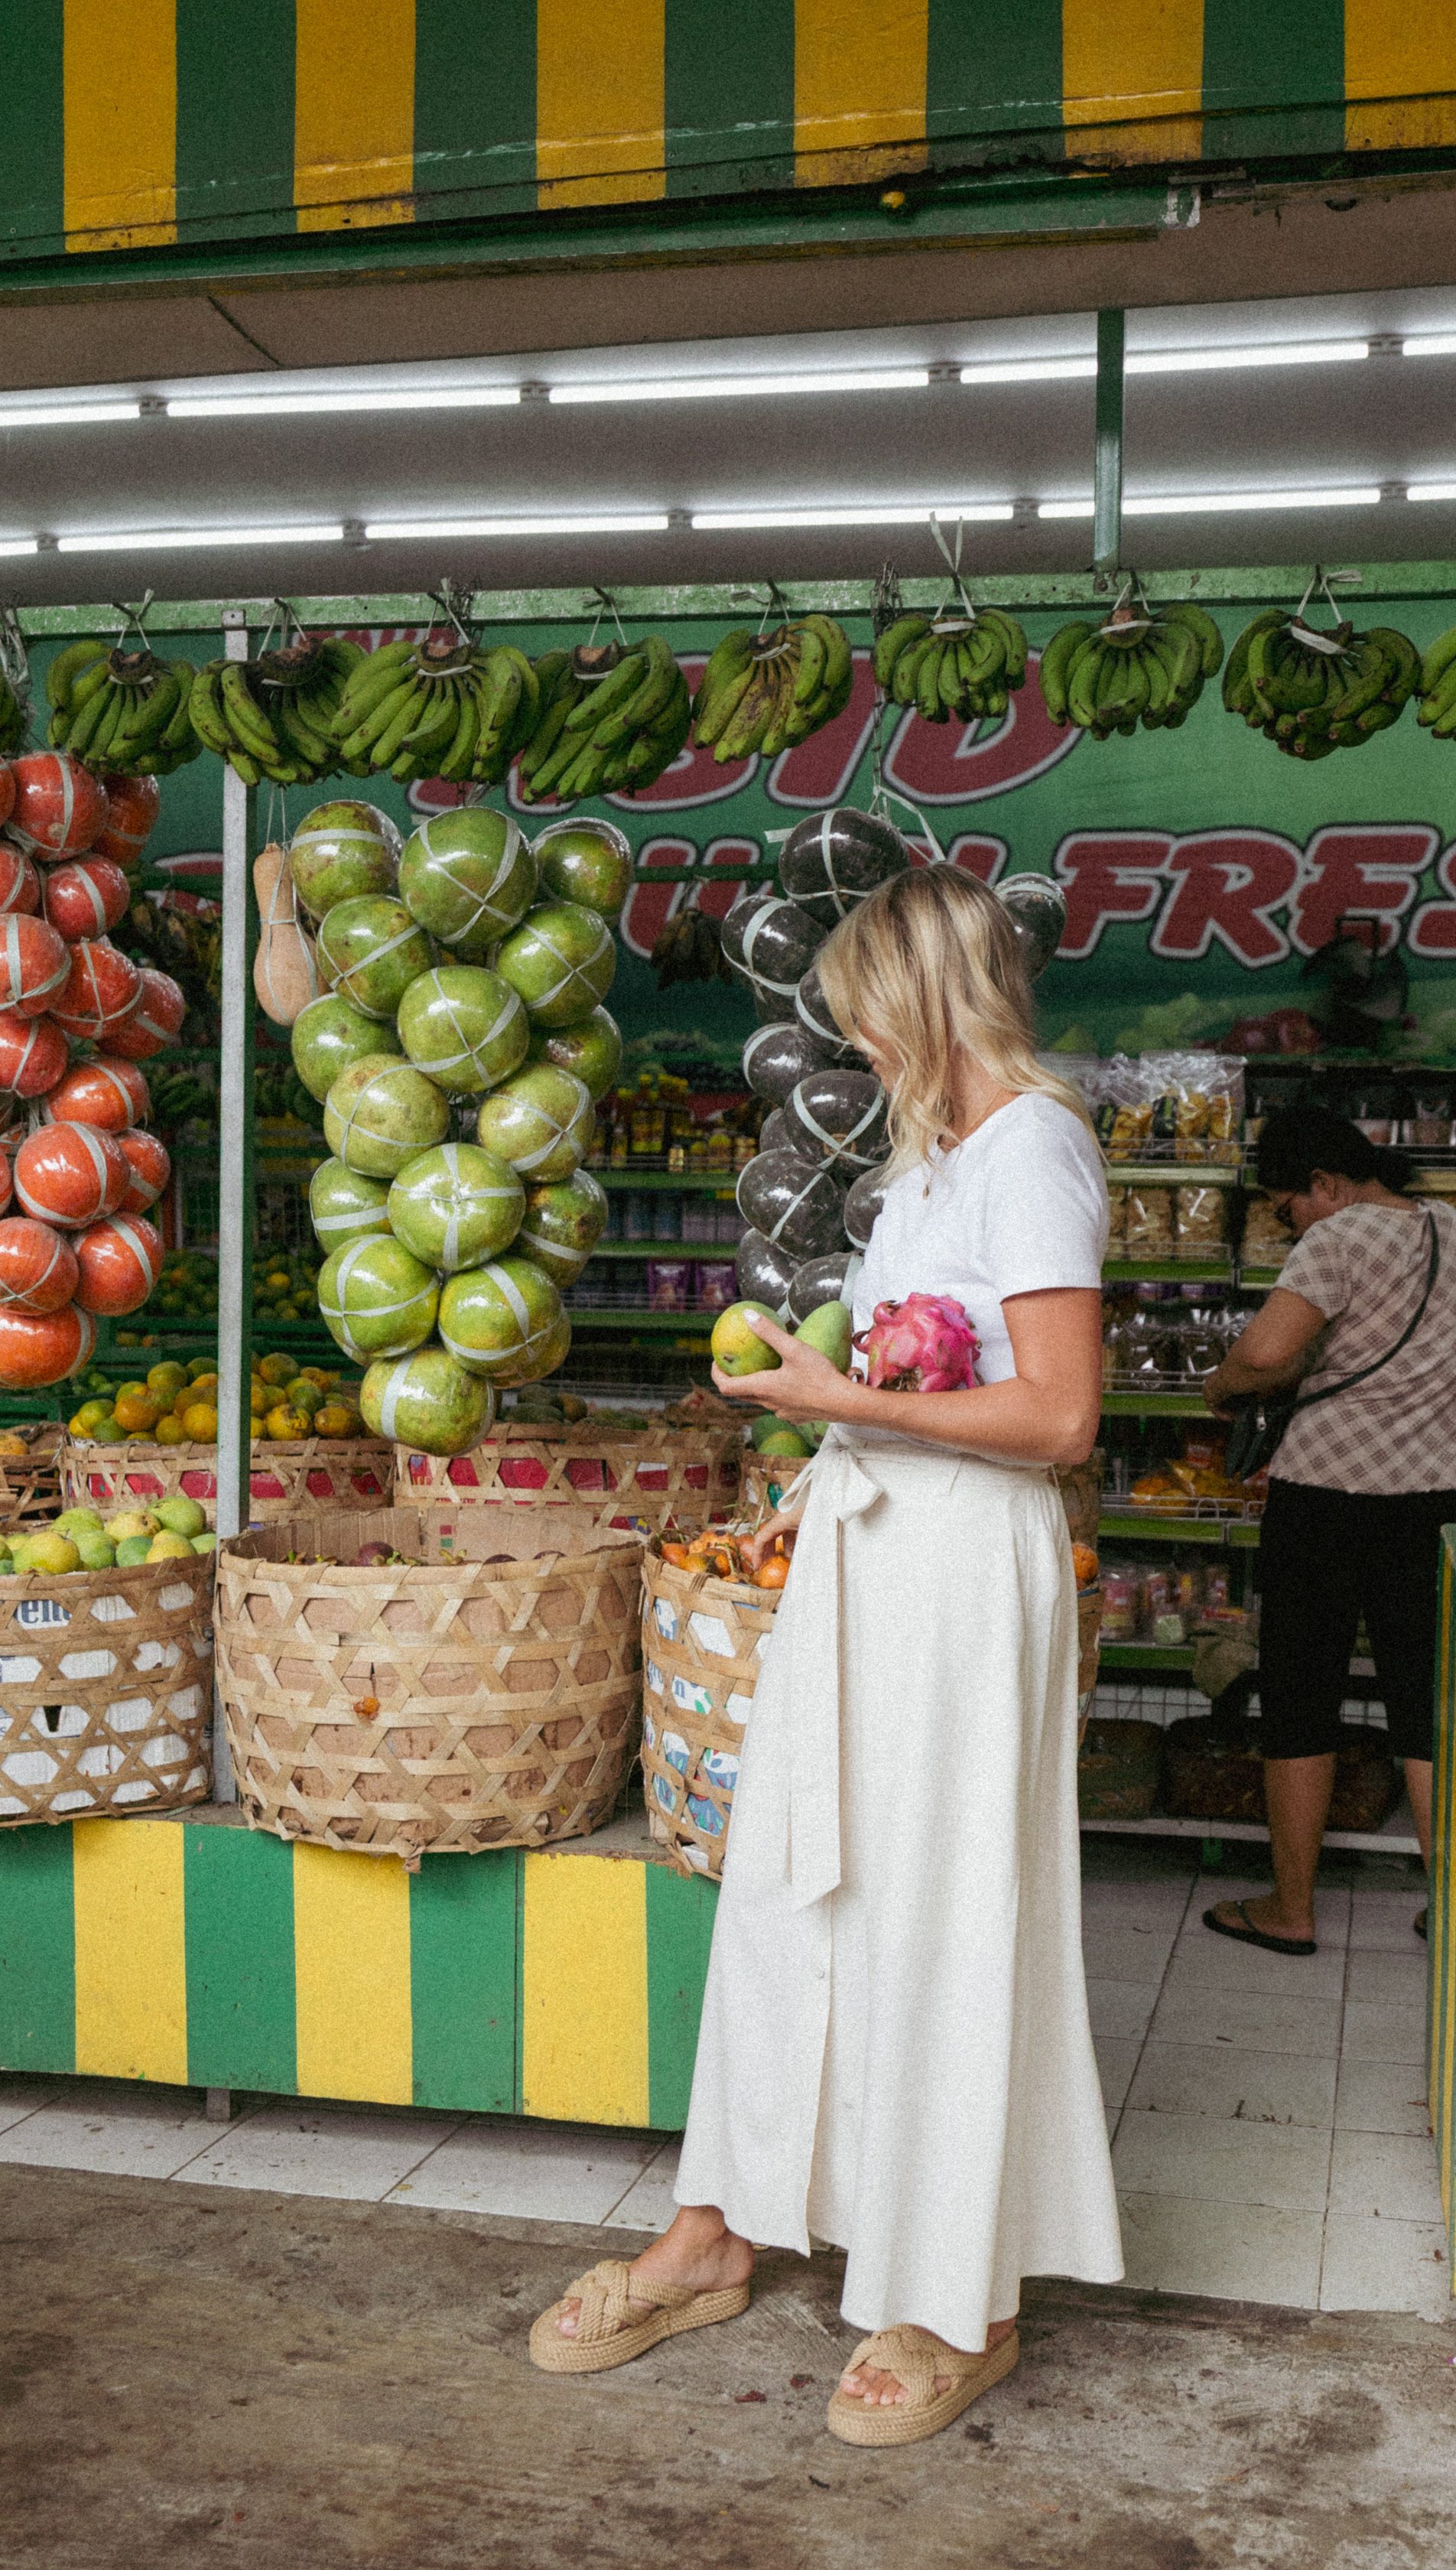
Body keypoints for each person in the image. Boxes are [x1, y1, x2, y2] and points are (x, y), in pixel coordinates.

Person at [528, 864, 1123, 2445]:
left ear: (925, 998)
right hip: (867, 1556)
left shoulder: (1035, 1154)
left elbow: (1062, 1415)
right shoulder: (926, 1170)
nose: (853, 1048)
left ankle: (958, 2294)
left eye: (865, 1015)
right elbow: (909, 1374)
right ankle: (716, 2226)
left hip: (959, 1576)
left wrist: (844, 1403)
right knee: (795, 1888)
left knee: (946, 1912)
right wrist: (816, 1427)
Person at [1199, 1103, 1456, 1957]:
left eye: (1288, 1205)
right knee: (1423, 1709)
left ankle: (1290, 1910)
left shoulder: (1338, 1236)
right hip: (1430, 1498)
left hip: (1324, 1495)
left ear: (1322, 1183)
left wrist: (1222, 1390)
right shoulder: (1451, 1231)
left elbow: (1259, 1352)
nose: (1292, 1221)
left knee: (1299, 1698)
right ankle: (1450, 1904)